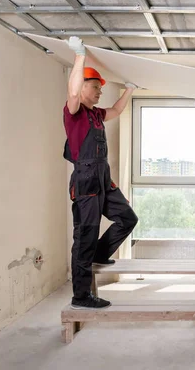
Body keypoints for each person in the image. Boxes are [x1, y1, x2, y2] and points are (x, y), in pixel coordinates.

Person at [63, 36, 139, 310]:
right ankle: (81, 296)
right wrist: (79, 56)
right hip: (86, 183)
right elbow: (72, 94)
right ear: (81, 86)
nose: (98, 93)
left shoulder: (95, 115)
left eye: (99, 89)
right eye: (94, 87)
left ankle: (99, 253)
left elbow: (117, 109)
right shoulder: (75, 113)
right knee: (85, 236)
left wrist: (129, 90)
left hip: (103, 180)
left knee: (127, 218)